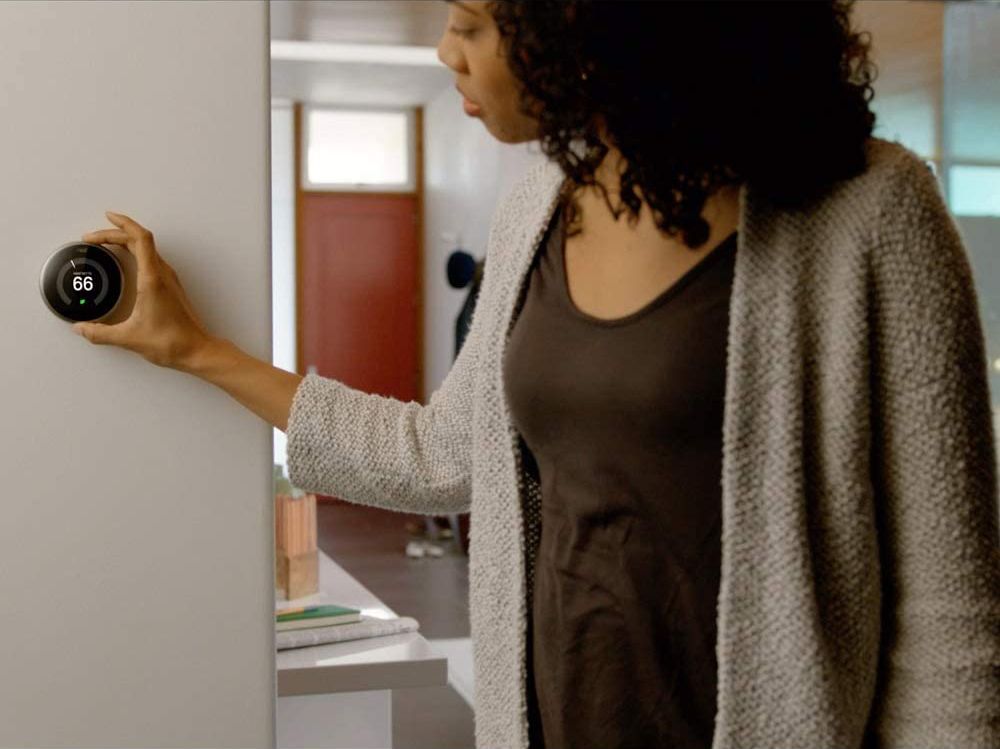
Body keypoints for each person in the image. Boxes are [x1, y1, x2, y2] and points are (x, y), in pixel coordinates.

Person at [72, 1, 1000, 748]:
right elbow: (438, 454)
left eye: (473, 22)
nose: (446, 50)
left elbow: (953, 624)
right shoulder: (536, 215)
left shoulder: (871, 214)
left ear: (585, 29)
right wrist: (195, 349)